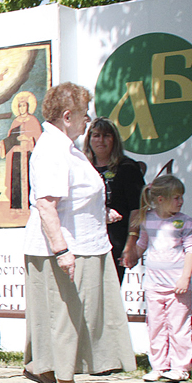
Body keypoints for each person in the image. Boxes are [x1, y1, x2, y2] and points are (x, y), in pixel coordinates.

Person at [22, 82, 135, 383]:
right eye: (85, 115)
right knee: (67, 314)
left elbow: (74, 197)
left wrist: (102, 213)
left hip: (83, 242)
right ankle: (65, 382)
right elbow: (46, 204)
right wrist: (62, 250)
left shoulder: (65, 147)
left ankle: (49, 371)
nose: (89, 121)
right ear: (67, 115)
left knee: (68, 313)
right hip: (66, 247)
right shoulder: (53, 149)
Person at [123, 175, 192, 382]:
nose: (180, 201)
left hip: (177, 286)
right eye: (176, 197)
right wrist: (133, 256)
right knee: (155, 325)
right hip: (154, 285)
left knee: (179, 326)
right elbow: (142, 243)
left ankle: (181, 366)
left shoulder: (186, 222)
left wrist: (185, 278)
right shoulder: (148, 219)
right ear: (160, 199)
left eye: (181, 197)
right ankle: (159, 366)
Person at [83, 117, 145, 283]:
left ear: (114, 139)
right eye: (96, 135)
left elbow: (137, 208)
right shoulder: (81, 167)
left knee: (109, 297)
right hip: (84, 241)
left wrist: (131, 244)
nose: (100, 140)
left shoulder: (127, 167)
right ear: (88, 139)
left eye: (106, 135)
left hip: (115, 241)